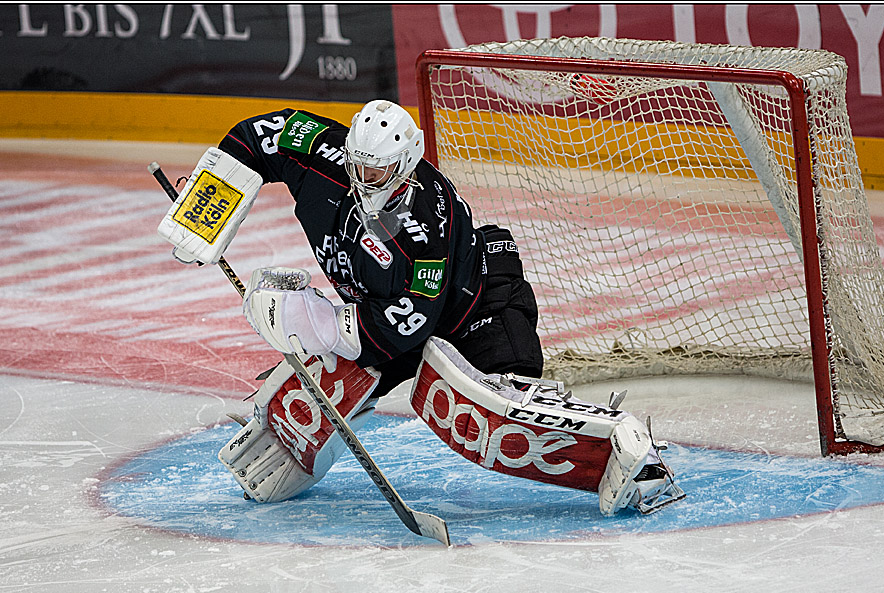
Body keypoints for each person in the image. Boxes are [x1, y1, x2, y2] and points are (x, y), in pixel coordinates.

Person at [162, 100, 683, 516]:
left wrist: (313, 321)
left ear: (406, 166)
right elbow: (255, 137)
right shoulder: (322, 151)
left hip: (476, 309)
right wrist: (206, 207)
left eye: (379, 171)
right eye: (359, 164)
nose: (364, 178)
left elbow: (403, 328)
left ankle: (630, 453)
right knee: (316, 388)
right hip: (382, 307)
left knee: (495, 415)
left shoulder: (426, 222)